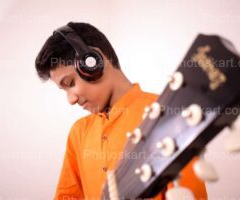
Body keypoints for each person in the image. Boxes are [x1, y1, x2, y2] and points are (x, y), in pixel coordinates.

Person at [35, 22, 207, 200]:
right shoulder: (78, 132)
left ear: (93, 61)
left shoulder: (169, 115)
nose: (71, 100)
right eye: (64, 91)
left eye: (70, 83)